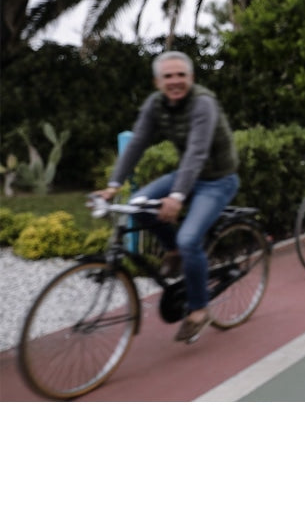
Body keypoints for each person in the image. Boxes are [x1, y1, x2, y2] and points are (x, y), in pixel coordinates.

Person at [97, 50, 239, 344]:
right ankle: (172, 251)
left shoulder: (203, 103)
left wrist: (176, 196)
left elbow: (197, 152)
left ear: (191, 78)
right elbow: (137, 143)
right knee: (138, 206)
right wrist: (113, 185)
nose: (175, 81)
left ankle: (199, 309)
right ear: (157, 82)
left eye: (181, 75)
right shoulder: (155, 104)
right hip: (186, 175)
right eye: (168, 76)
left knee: (189, 239)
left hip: (217, 180)